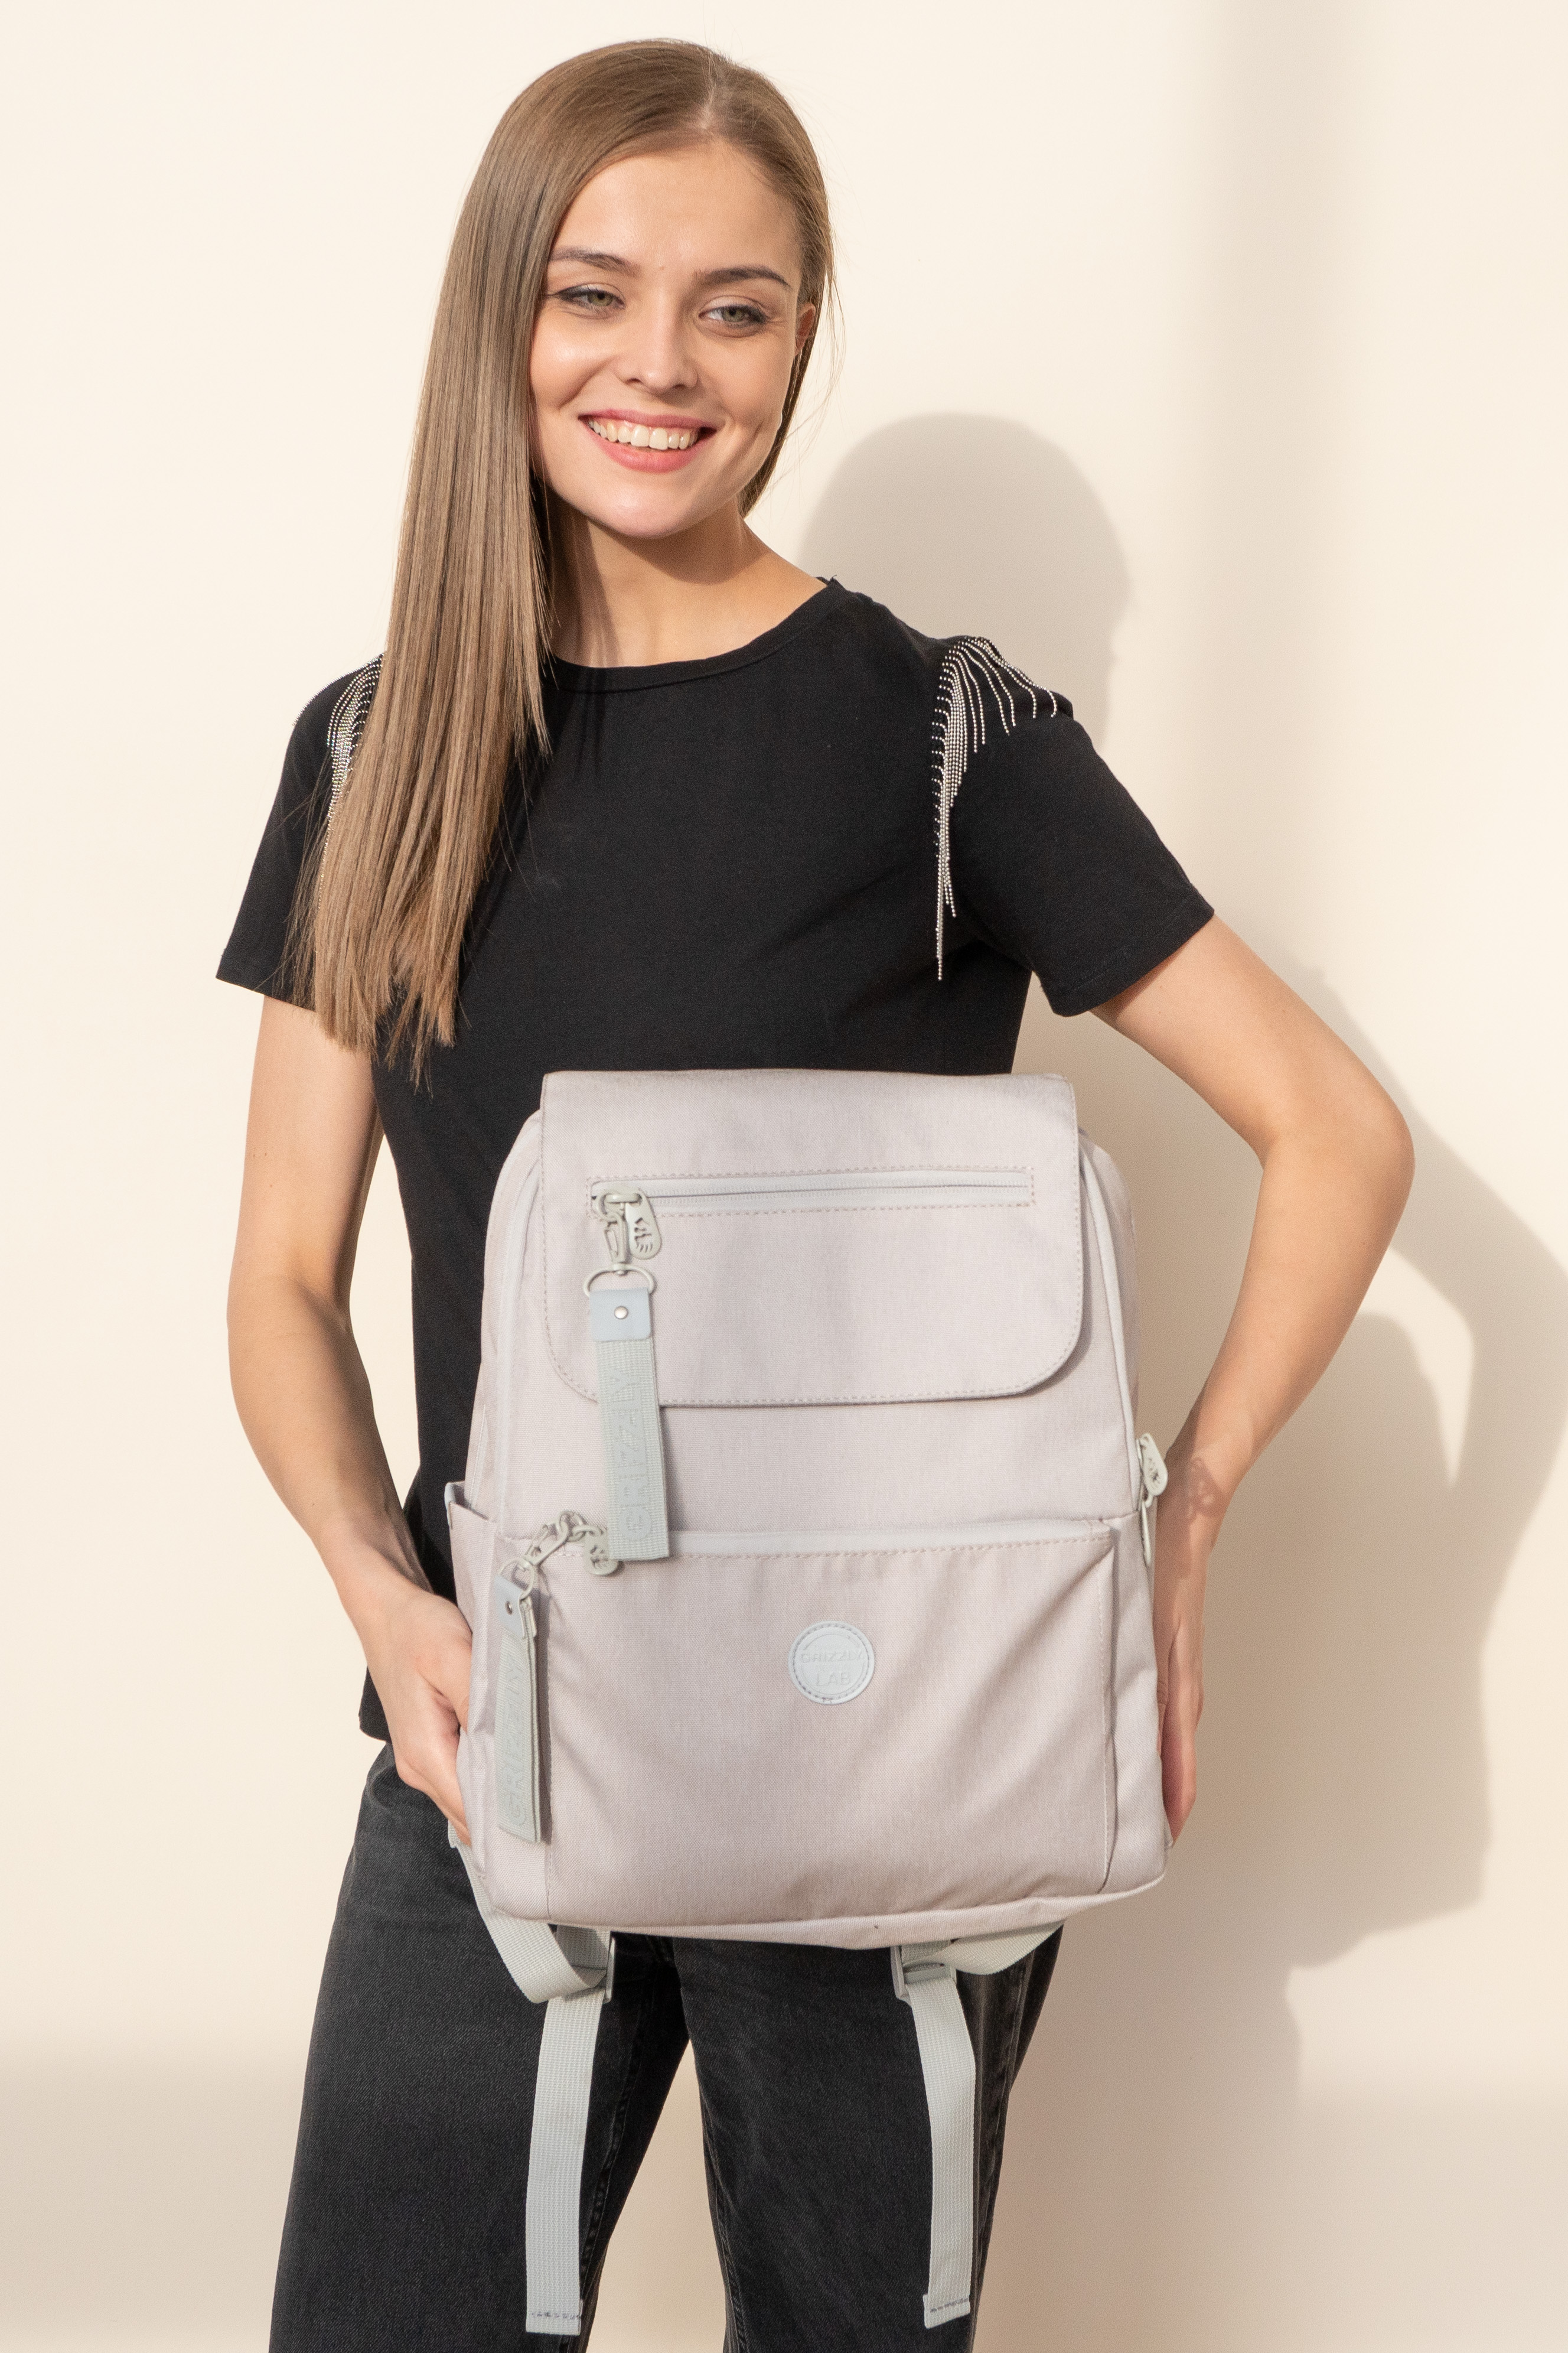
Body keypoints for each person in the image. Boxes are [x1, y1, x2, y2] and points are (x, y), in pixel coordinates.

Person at [221, 39, 1413, 2352]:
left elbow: (1332, 1130)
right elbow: (281, 1276)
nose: (659, 364)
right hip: (496, 1737)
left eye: (737, 307)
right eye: (593, 292)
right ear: (500, 312)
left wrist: (1173, 1531)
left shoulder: (948, 738)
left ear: (799, 336)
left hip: (898, 1750)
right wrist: (384, 1597)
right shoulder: (375, 749)